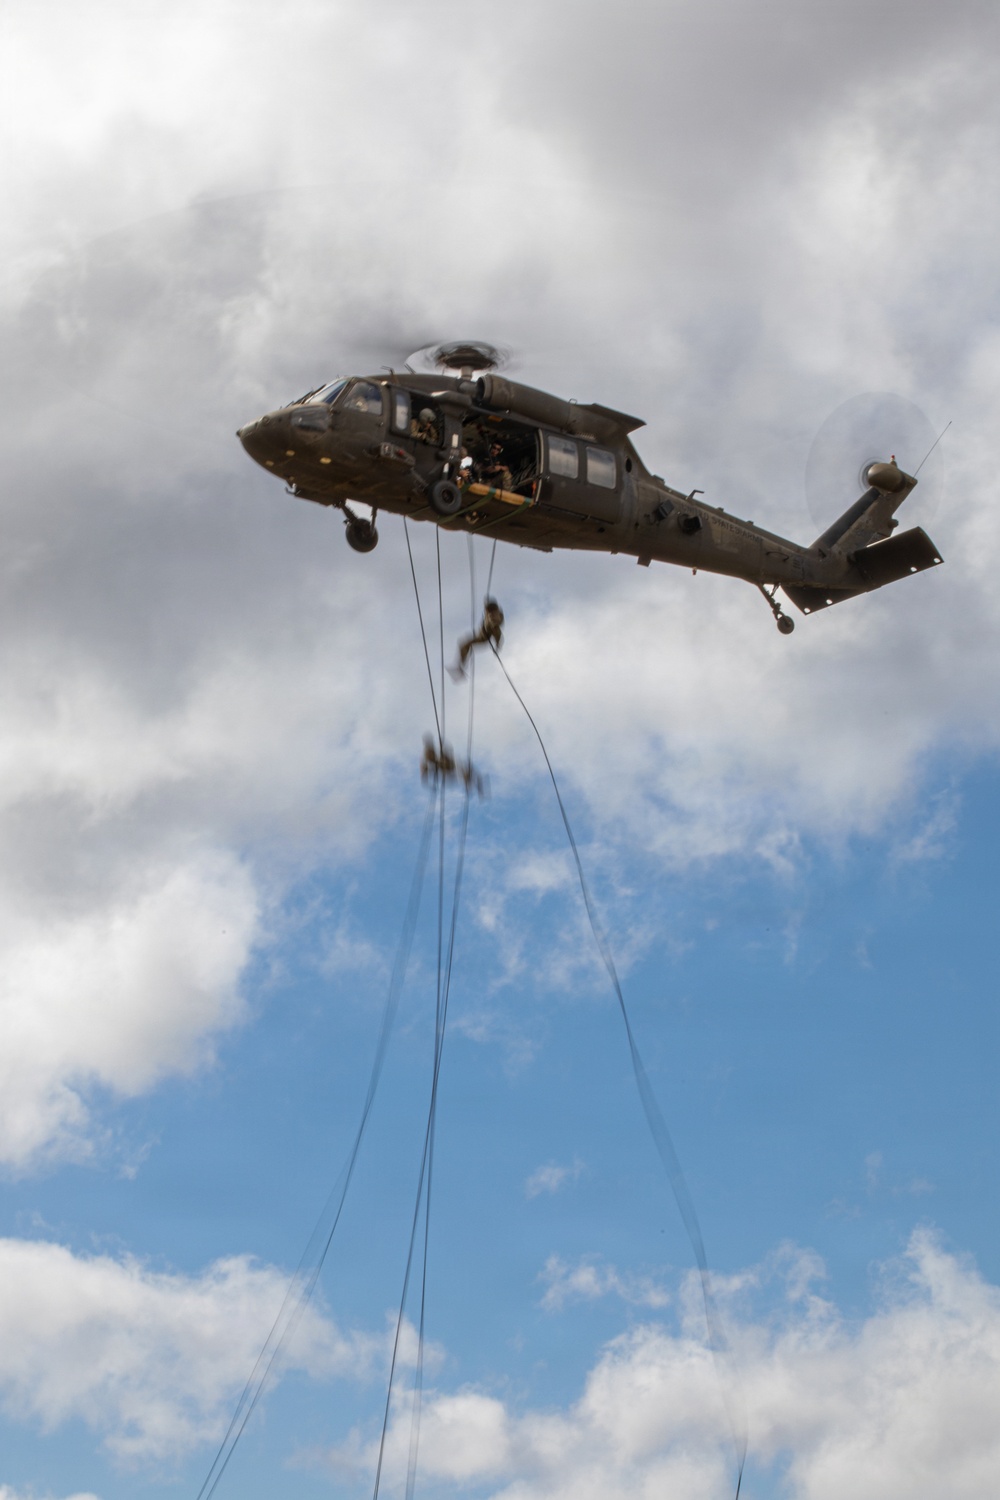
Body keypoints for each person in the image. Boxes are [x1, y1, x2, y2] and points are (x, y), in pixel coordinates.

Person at [449, 598, 504, 679]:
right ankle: (460, 666)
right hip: (481, 632)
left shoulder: (494, 622)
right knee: (463, 644)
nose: (489, 613)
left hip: (483, 637)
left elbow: (498, 635)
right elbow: (488, 610)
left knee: (466, 645)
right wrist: (486, 603)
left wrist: (497, 647)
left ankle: (461, 668)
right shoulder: (489, 613)